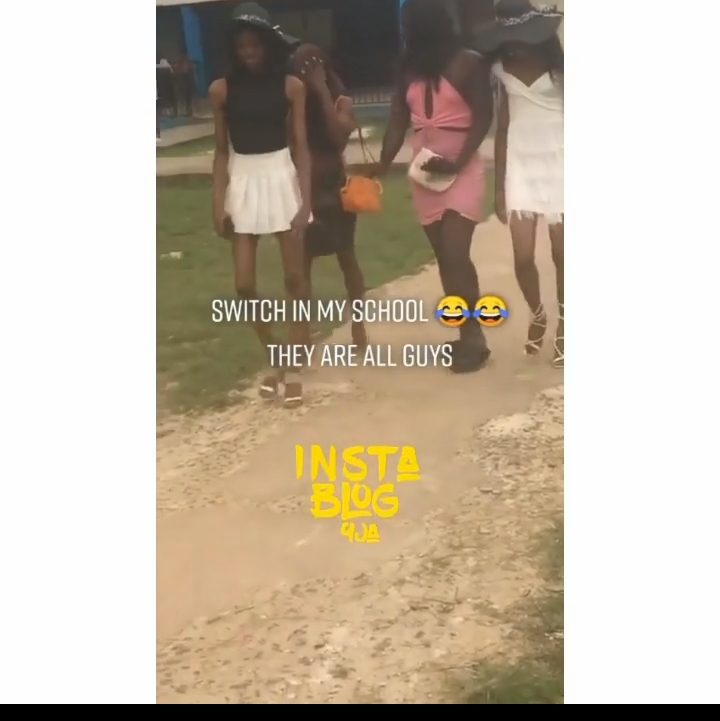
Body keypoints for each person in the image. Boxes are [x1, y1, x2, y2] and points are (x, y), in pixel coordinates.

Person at [376, 0, 494, 374]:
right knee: (444, 257)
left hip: (462, 169)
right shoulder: (407, 69)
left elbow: (484, 116)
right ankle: (464, 334)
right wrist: (381, 165)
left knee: (456, 253)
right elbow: (398, 121)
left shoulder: (469, 63)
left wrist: (459, 162)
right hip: (425, 172)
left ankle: (475, 337)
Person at [209, 5, 312, 408]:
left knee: (294, 277)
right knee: (244, 283)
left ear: (268, 45)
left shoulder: (291, 86)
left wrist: (304, 200)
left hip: (281, 174)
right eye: (242, 46)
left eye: (255, 45)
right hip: (243, 177)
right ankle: (275, 353)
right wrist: (218, 201)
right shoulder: (221, 90)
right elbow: (221, 150)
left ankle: (295, 362)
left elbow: (301, 145)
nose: (249, 52)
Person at [473, 0, 564, 368]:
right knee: (523, 257)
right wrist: (499, 187)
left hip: (561, 159)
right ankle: (538, 312)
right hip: (520, 164)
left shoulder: (561, 68)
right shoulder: (500, 69)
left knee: (563, 255)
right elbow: (503, 128)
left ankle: (566, 325)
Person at [291, 44, 368, 349]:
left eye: (312, 67)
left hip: (335, 189)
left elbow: (338, 137)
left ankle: (358, 325)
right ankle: (303, 333)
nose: (306, 73)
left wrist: (322, 91)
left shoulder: (340, 100)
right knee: (301, 264)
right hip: (302, 190)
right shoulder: (292, 100)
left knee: (347, 257)